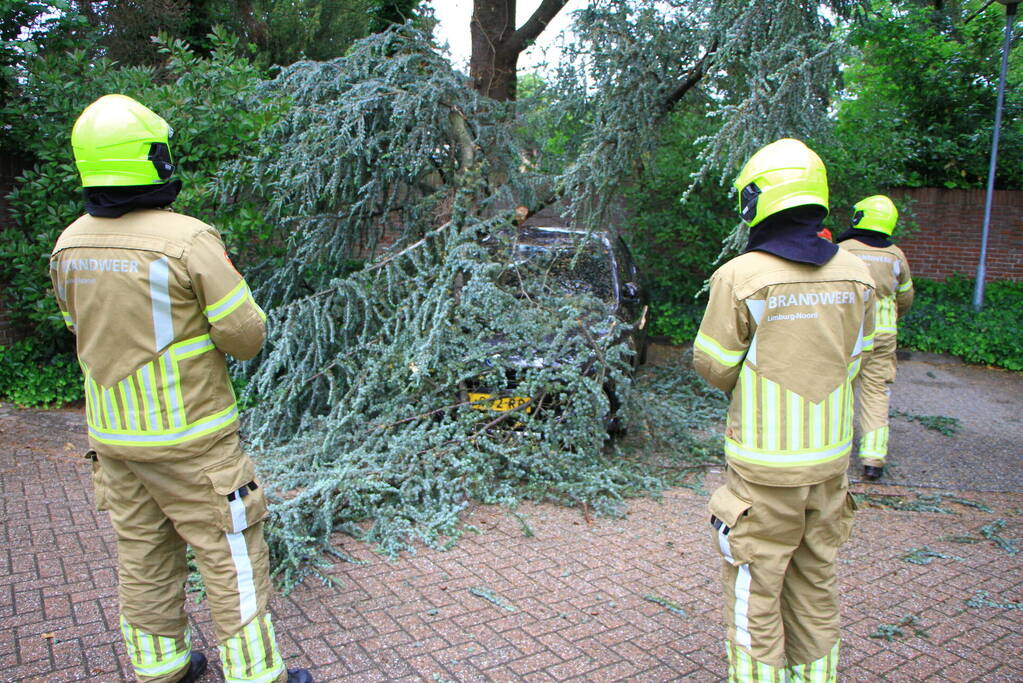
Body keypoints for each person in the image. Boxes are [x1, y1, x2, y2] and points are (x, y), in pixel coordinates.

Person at [50, 94, 311, 683]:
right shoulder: (189, 240)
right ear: (153, 158)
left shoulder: (69, 244)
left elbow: (78, 327)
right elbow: (245, 336)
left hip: (114, 439)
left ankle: (162, 668)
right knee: (231, 554)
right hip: (192, 439)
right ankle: (255, 676)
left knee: (142, 554)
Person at [693, 138, 875, 681]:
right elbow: (856, 360)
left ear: (756, 200)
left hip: (764, 469)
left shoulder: (740, 276)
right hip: (829, 463)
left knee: (755, 587)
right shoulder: (859, 273)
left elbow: (714, 365)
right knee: (816, 580)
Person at [837, 195, 914, 481]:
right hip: (882, 336)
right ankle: (873, 459)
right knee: (876, 393)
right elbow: (905, 297)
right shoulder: (896, 255)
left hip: (847, 335)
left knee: (840, 391)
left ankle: (837, 452)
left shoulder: (842, 251)